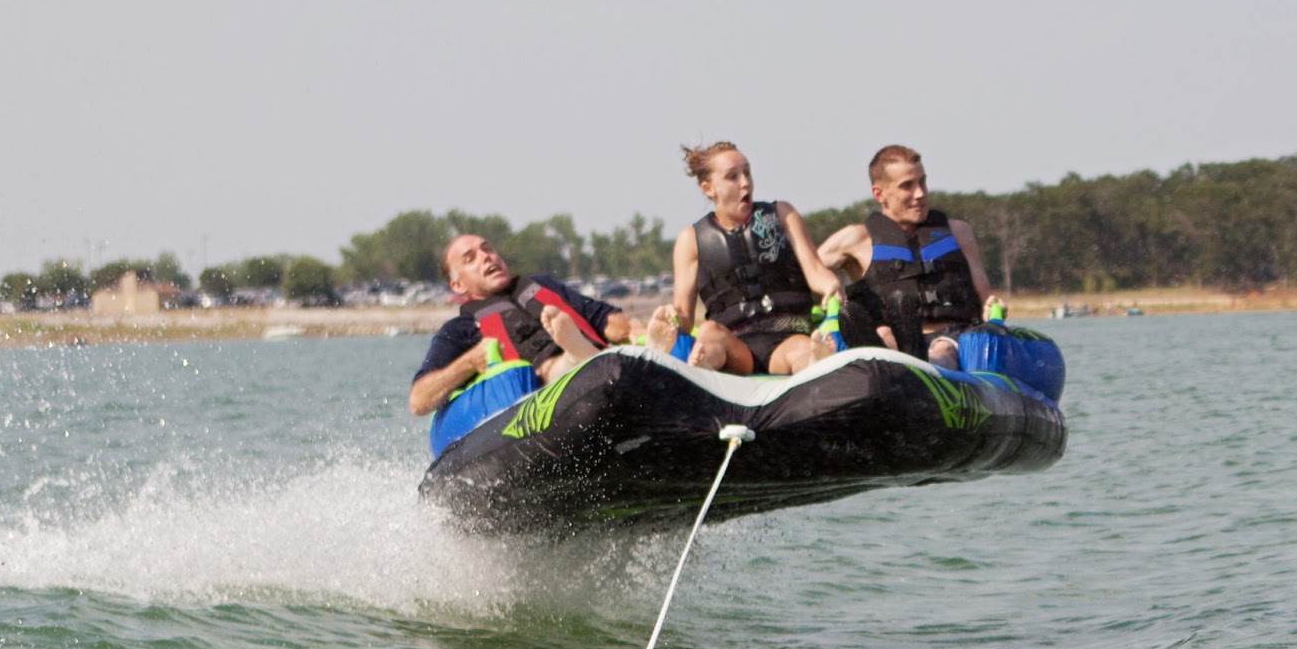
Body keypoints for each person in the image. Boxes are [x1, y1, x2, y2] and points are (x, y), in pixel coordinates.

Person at [651, 141, 843, 375]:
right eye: (732, 177)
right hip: (736, 347)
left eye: (747, 173)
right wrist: (671, 318)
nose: (745, 182)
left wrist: (831, 285)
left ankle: (816, 363)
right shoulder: (690, 240)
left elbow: (815, 271)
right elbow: (684, 316)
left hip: (787, 337)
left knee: (802, 348)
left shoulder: (783, 214)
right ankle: (701, 367)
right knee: (709, 332)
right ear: (708, 189)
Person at [408, 234, 635, 416]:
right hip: (548, 399)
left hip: (600, 363)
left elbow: (605, 320)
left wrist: (635, 332)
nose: (486, 257)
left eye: (488, 249)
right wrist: (471, 361)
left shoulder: (544, 286)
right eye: (471, 258)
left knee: (632, 334)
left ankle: (598, 354)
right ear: (458, 285)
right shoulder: (460, 328)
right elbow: (418, 401)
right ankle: (577, 356)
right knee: (548, 367)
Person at [817, 145, 998, 369]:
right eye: (907, 186)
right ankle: (881, 359)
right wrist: (828, 285)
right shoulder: (854, 240)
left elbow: (985, 298)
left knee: (943, 349)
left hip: (952, 338)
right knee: (884, 334)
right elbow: (806, 271)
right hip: (888, 337)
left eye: (922, 182)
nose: (920, 194)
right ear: (879, 194)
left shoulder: (958, 232)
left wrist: (993, 308)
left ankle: (918, 366)